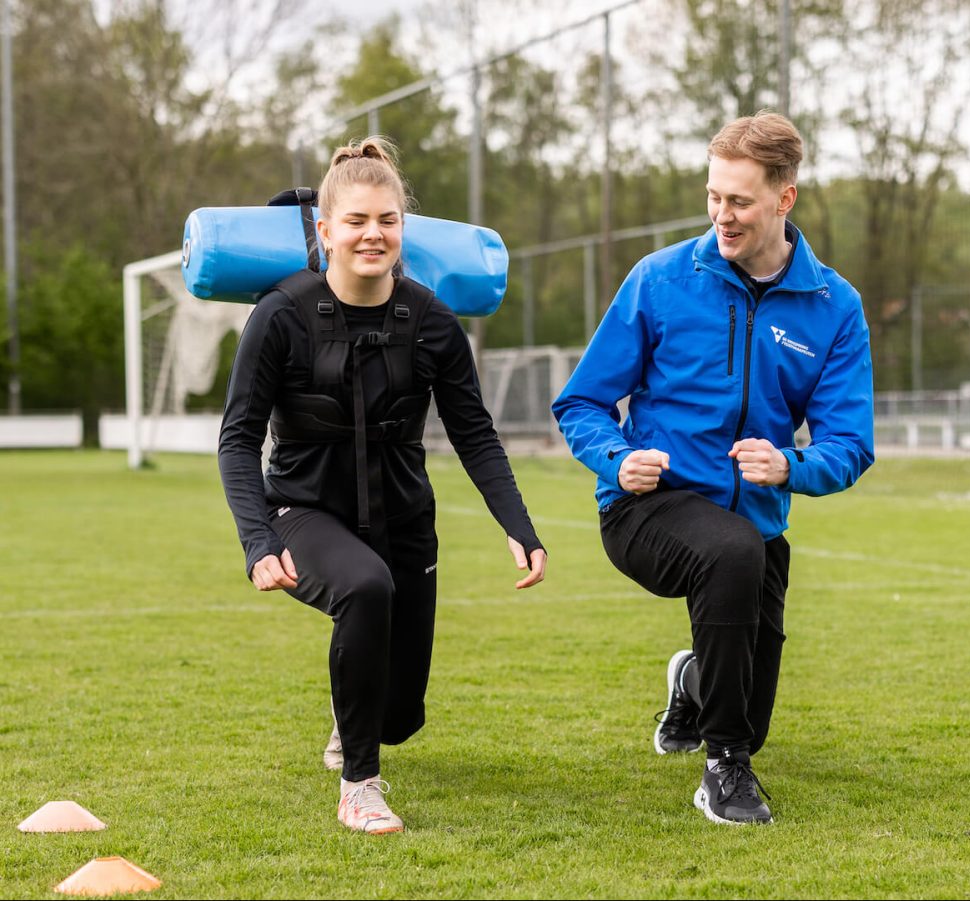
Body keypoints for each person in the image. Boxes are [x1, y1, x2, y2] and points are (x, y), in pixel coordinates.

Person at [551, 111, 873, 826]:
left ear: (785, 198)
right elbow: (581, 402)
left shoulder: (835, 307)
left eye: (740, 201)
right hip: (646, 507)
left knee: (752, 706)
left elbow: (851, 443)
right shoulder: (659, 279)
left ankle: (697, 682)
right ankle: (725, 767)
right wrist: (617, 458)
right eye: (713, 196)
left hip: (756, 522)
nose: (721, 215)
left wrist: (790, 465)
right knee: (730, 554)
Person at [218, 137, 547, 835]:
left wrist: (518, 526)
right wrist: (257, 540)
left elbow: (475, 434)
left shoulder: (431, 322)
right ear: (325, 231)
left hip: (403, 518)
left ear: (404, 229)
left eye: (388, 220)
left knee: (398, 716)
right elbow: (237, 438)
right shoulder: (281, 315)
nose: (373, 234)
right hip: (304, 511)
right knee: (365, 588)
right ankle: (360, 788)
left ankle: (357, 718)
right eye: (357, 220)